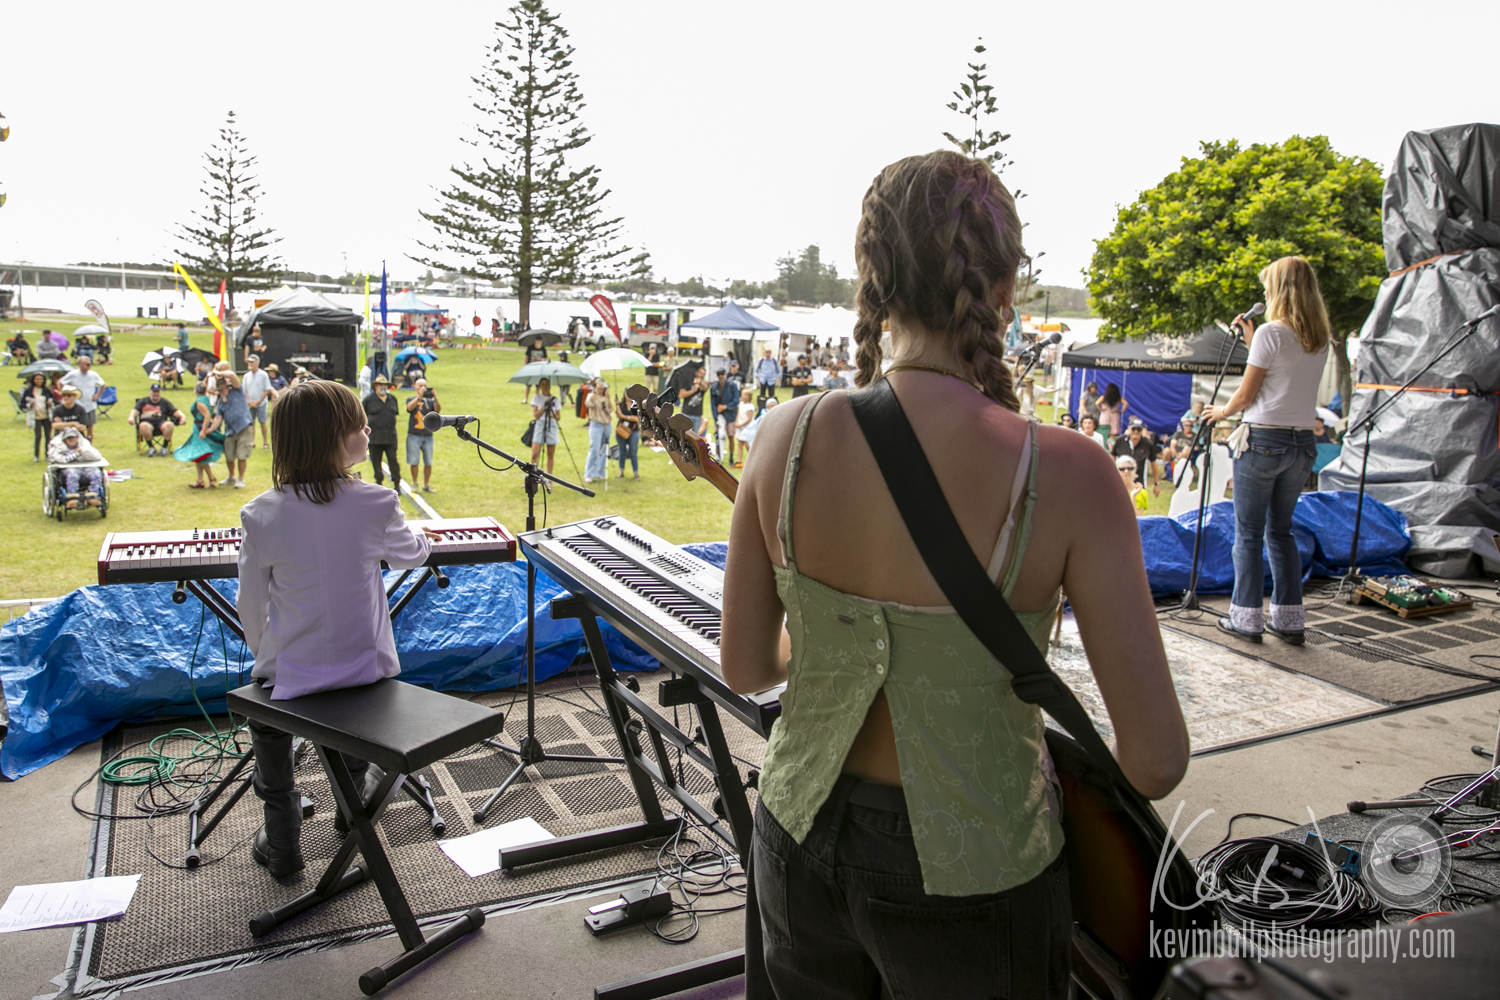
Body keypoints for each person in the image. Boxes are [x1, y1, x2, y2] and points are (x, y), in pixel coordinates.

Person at [718, 150, 1187, 998]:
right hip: (977, 865)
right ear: (1004, 287)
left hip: (795, 832)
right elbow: (1155, 762)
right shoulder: (1069, 471)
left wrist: (840, 643)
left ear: (871, 279)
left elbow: (748, 667)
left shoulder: (783, 434)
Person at [236, 379, 441, 877]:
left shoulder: (260, 513)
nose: (369, 432)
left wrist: (267, 659)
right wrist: (423, 536)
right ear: (333, 439)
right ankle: (353, 812)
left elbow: (250, 605)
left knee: (267, 718)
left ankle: (282, 835)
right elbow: (411, 555)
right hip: (364, 672)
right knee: (350, 730)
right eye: (360, 426)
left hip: (291, 675)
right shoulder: (376, 502)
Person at [1204, 256, 1330, 646]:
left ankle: (1246, 618)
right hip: (1301, 444)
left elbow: (1246, 396)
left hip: (1262, 442)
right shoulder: (1320, 338)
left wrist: (1220, 412)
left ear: (1278, 290)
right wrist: (1251, 340)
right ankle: (1290, 620)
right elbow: (1285, 378)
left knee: (1248, 533)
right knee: (1281, 532)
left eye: (1266, 287)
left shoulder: (1271, 333)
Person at [211, 362, 254, 488]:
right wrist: (209, 430)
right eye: (219, 390)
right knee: (229, 456)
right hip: (230, 430)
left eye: (222, 389)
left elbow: (232, 376)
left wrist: (218, 372)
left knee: (242, 455)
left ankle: (241, 479)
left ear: (227, 387)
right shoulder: (220, 402)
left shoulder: (237, 390)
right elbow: (218, 418)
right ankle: (231, 477)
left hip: (244, 426)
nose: (220, 392)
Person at [174, 379, 224, 488]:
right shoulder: (206, 398)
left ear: (195, 390)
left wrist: (203, 430)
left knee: (200, 454)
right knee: (197, 454)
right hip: (199, 428)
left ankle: (211, 478)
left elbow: (207, 416)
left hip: (200, 428)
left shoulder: (199, 402)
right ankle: (200, 480)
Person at [47, 427, 105, 509]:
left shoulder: (84, 444)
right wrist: (76, 454)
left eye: (73, 437)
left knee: (96, 473)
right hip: (69, 468)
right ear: (64, 439)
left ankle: (93, 496)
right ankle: (72, 498)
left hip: (85, 466)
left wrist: (83, 451)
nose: (71, 440)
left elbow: (96, 456)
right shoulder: (59, 448)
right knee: (72, 475)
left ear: (77, 437)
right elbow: (60, 459)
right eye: (69, 438)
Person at [362, 375, 401, 491]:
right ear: (375, 386)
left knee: (393, 461)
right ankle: (379, 483)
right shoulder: (368, 400)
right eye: (380, 385)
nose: (383, 387)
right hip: (374, 438)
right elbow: (361, 417)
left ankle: (397, 484)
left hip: (390, 437)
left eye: (385, 385)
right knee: (376, 463)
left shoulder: (392, 399)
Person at [129, 383, 186, 456]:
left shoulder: (165, 402)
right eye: (154, 392)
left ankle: (164, 447)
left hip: (161, 424)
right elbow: (135, 410)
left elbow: (175, 411)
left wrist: (182, 417)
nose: (156, 394)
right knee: (143, 425)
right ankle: (151, 448)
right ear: (150, 392)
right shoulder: (143, 401)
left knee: (169, 424)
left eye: (157, 392)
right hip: (147, 424)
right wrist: (131, 417)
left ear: (160, 392)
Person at [405, 377, 440, 492]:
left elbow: (437, 411)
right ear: (415, 387)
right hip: (414, 434)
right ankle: (414, 483)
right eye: (420, 386)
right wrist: (419, 397)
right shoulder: (411, 399)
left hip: (428, 435)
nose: (423, 388)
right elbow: (409, 408)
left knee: (428, 462)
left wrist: (435, 398)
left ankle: (426, 484)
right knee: (414, 461)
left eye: (424, 386)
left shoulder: (430, 402)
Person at [59, 354, 106, 441]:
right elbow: (61, 382)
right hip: (77, 404)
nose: (89, 366)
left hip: (90, 405)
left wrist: (97, 395)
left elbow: (102, 384)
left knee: (90, 427)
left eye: (90, 364)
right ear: (80, 365)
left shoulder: (93, 374)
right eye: (87, 364)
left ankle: (89, 444)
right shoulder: (73, 374)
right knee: (78, 427)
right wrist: (64, 395)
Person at [1111, 418, 1161, 497]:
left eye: (1139, 429)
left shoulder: (1148, 444)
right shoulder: (1120, 441)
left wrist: (1156, 484)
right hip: (1120, 482)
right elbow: (1112, 460)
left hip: (1139, 483)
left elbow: (1154, 465)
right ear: (1129, 429)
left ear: (1142, 430)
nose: (1136, 431)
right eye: (1133, 429)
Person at [529, 376, 562, 474]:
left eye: (546, 384)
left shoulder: (555, 400)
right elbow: (536, 415)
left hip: (551, 425)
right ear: (539, 386)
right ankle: (533, 475)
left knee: (550, 454)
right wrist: (544, 407)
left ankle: (549, 477)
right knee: (535, 453)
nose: (545, 386)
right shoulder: (536, 399)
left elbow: (558, 416)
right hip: (540, 425)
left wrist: (552, 415)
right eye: (542, 384)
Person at [242, 354, 275, 449]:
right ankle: (252, 441)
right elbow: (244, 391)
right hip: (250, 403)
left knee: (262, 422)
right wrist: (248, 401)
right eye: (249, 362)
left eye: (252, 362)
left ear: (257, 363)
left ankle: (265, 442)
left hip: (261, 403)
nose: (250, 364)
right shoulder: (246, 376)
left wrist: (258, 401)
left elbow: (267, 389)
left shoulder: (263, 374)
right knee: (251, 423)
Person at [21, 372, 55, 463]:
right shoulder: (28, 391)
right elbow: (22, 404)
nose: (39, 381)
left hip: (46, 416)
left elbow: (54, 401)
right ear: (33, 380)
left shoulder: (46, 390)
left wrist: (50, 404)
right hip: (35, 417)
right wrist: (29, 405)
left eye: (41, 379)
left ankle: (48, 454)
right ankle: (36, 455)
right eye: (37, 379)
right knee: (38, 436)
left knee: (48, 436)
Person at [584, 378, 613, 483]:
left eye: (602, 388)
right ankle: (588, 474)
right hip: (596, 424)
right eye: (599, 388)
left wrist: (608, 397)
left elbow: (610, 409)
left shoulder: (605, 397)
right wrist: (595, 392)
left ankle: (600, 473)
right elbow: (588, 404)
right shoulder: (591, 395)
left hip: (606, 424)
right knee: (594, 449)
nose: (601, 390)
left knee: (604, 449)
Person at [711, 367, 740, 465]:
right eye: (719, 374)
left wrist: (725, 407)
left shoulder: (732, 385)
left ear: (725, 374)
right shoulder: (714, 388)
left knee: (730, 436)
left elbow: (736, 400)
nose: (720, 376)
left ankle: (731, 458)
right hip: (719, 416)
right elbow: (713, 404)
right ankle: (718, 456)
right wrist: (715, 417)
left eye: (722, 374)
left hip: (730, 415)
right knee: (718, 436)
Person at [615, 390, 641, 480]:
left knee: (633, 452)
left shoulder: (636, 406)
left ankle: (636, 473)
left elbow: (637, 419)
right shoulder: (621, 405)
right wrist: (616, 403)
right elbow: (618, 414)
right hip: (622, 431)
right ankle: (621, 472)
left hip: (633, 431)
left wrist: (624, 417)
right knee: (621, 451)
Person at [732, 386, 756, 468]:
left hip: (747, 428)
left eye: (745, 395)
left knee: (746, 445)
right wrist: (736, 422)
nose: (743, 396)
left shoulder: (750, 406)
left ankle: (752, 460)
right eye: (742, 394)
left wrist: (741, 424)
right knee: (739, 444)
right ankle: (739, 461)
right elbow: (738, 414)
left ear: (749, 397)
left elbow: (749, 418)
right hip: (740, 427)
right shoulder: (741, 404)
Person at [754, 348, 781, 413]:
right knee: (762, 396)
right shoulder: (761, 360)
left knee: (771, 395)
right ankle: (762, 408)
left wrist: (777, 377)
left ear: (771, 353)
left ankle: (771, 407)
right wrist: (758, 377)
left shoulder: (774, 360)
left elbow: (779, 371)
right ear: (764, 353)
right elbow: (756, 370)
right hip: (763, 379)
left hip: (771, 380)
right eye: (766, 352)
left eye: (769, 352)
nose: (768, 353)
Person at [680, 369, 707, 434]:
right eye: (701, 373)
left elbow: (705, 388)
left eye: (704, 374)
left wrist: (699, 383)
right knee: (685, 434)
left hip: (697, 414)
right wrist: (693, 390)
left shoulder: (703, 384)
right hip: (687, 413)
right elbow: (681, 395)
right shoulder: (688, 382)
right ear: (696, 373)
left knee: (695, 435)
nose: (702, 375)